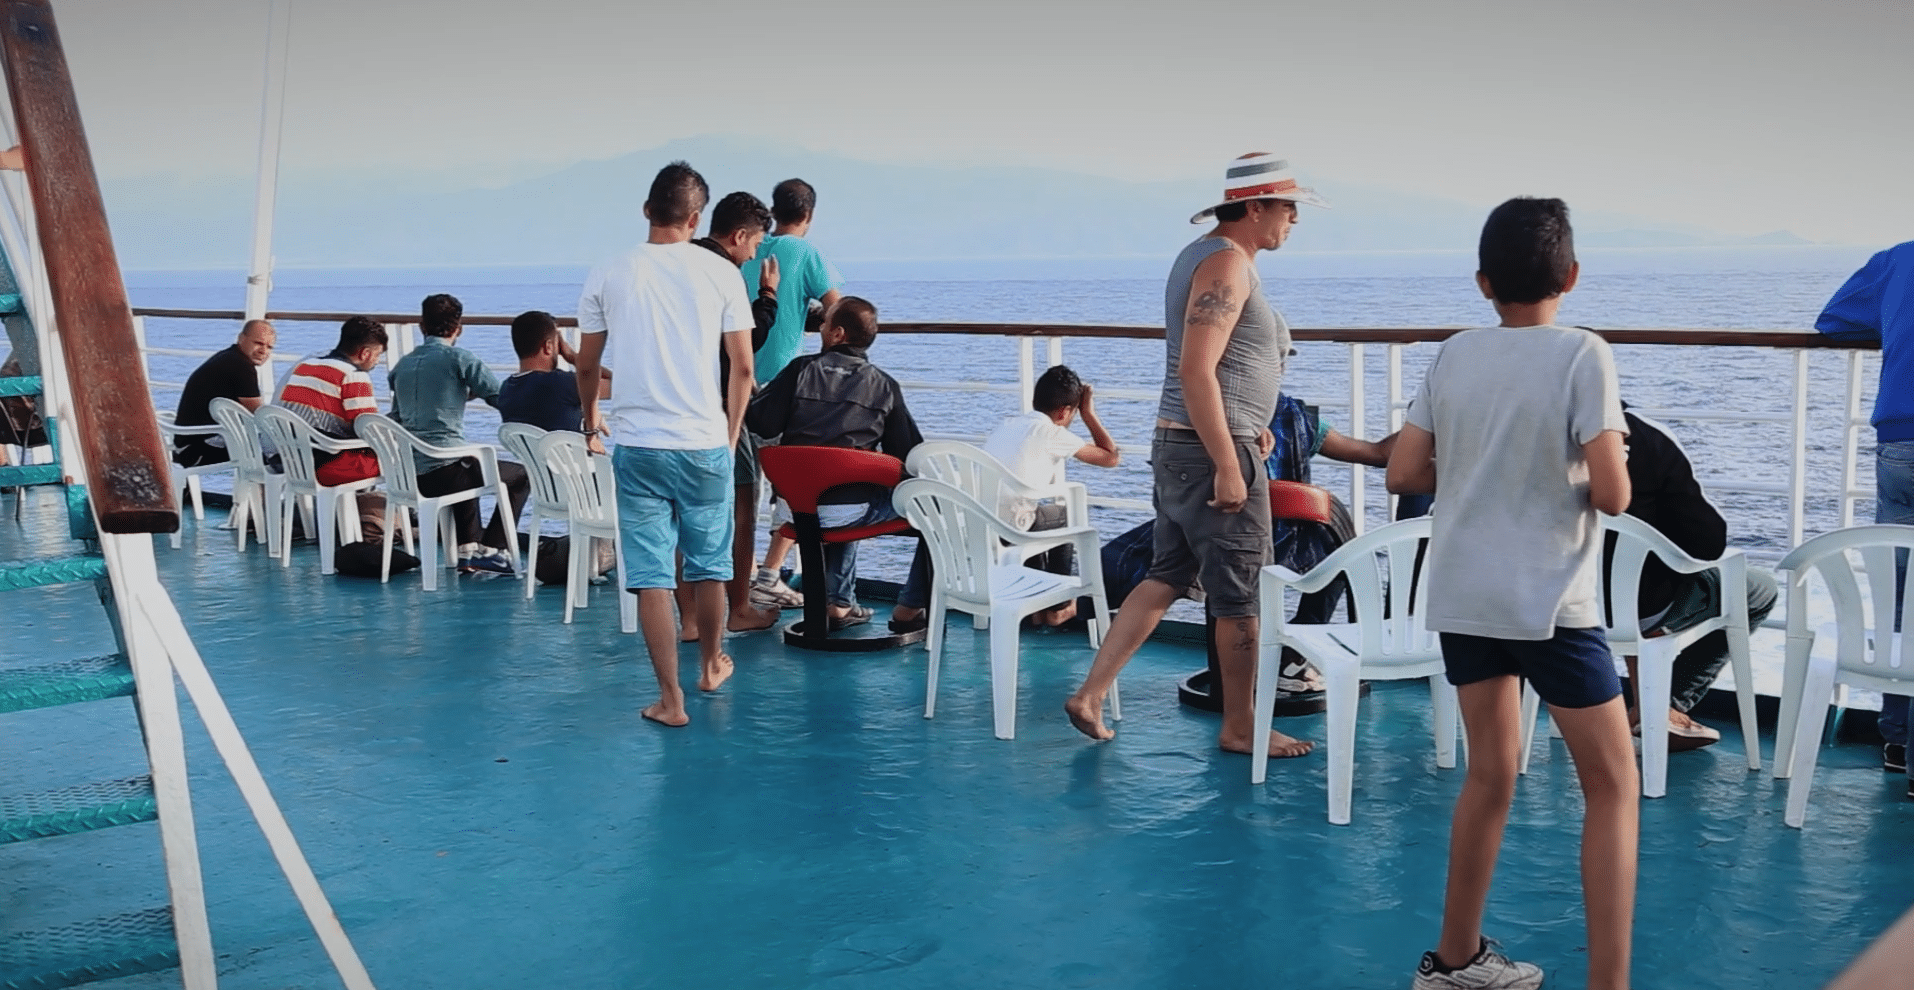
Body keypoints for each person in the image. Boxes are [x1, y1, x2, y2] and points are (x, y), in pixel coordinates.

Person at [1386, 197, 1636, 990]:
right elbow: (1614, 493)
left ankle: (1454, 960)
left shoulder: (1455, 354)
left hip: (1464, 591)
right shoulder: (1582, 353)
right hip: (1550, 600)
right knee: (1612, 786)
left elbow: (1402, 474)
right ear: (1570, 275)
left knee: (1490, 774)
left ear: (1483, 282)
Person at [1062, 152, 1324, 759]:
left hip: (1190, 442)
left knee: (1167, 574)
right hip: (1209, 453)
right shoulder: (1227, 266)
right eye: (1288, 207)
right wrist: (1230, 463)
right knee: (1242, 597)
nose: (1294, 220)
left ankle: (1091, 693)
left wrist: (1249, 424)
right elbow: (1196, 369)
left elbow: (1217, 372)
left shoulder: (1201, 257)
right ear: (1255, 207)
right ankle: (1240, 727)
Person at [572, 160, 756, 728]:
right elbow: (743, 368)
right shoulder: (720, 273)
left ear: (648, 210)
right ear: (697, 217)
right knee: (709, 565)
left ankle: (670, 700)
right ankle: (710, 664)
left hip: (639, 446)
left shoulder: (610, 270)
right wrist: (726, 438)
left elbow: (587, 361)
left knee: (651, 572)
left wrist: (590, 418)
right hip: (703, 443)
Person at [745, 296, 931, 631]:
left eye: (825, 321)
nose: (820, 326)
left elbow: (762, 424)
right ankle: (906, 608)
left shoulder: (799, 370)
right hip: (847, 510)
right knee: (932, 515)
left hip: (793, 509)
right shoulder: (884, 386)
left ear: (837, 334)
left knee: (844, 489)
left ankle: (840, 603)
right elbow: (909, 456)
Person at [1610, 406, 1778, 751]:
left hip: (1560, 604)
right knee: (1758, 589)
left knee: (1621, 585)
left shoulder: (1530, 439)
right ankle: (1666, 705)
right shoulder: (1647, 440)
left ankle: (1651, 702)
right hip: (1644, 606)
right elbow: (1707, 543)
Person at [1817, 240, 1914, 796]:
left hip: (1900, 442)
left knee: (1900, 598)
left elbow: (1833, 320)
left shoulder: (1900, 258)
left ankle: (1897, 737)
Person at [742, 178, 845, 611]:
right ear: (809, 214)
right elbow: (841, 309)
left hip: (737, 381)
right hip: (782, 388)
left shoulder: (750, 249)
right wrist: (817, 318)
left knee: (745, 485)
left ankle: (741, 574)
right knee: (792, 485)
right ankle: (768, 575)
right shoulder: (805, 253)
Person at [688, 191, 783, 636]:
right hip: (722, 404)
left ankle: (688, 618)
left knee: (681, 509)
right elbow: (745, 354)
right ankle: (739, 606)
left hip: (680, 403)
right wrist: (768, 297)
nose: (752, 255)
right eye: (754, 244)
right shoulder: (723, 275)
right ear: (739, 234)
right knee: (743, 503)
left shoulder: (678, 263)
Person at [388, 293, 531, 574]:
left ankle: (468, 551)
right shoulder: (459, 359)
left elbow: (399, 415)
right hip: (447, 474)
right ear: (459, 328)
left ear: (421, 326)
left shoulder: (401, 367)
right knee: (519, 475)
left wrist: (459, 397)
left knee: (465, 462)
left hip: (410, 475)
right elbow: (503, 399)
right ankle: (492, 549)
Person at [977, 364, 1120, 626]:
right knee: (1062, 516)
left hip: (980, 521)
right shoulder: (1053, 433)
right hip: (1010, 526)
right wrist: (1088, 413)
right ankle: (1058, 607)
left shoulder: (1007, 424)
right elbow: (1111, 457)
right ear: (1065, 411)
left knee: (1036, 515)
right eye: (1074, 413)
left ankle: (1037, 606)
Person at [278, 316, 387, 488]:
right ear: (365, 353)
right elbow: (369, 430)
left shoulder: (306, 366)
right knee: (399, 460)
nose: (377, 361)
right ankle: (393, 511)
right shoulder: (354, 376)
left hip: (289, 460)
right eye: (378, 355)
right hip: (323, 464)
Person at [172, 319, 274, 466]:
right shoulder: (241, 366)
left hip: (185, 443)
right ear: (241, 339)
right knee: (274, 456)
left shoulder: (228, 357)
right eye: (258, 343)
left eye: (269, 347)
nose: (263, 351)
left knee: (263, 448)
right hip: (197, 449)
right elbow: (260, 414)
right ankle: (263, 489)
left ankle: (253, 489)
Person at [497, 310, 608, 433]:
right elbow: (620, 386)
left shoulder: (505, 390)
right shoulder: (562, 384)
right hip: (571, 452)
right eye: (558, 342)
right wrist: (573, 357)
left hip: (528, 452)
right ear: (548, 346)